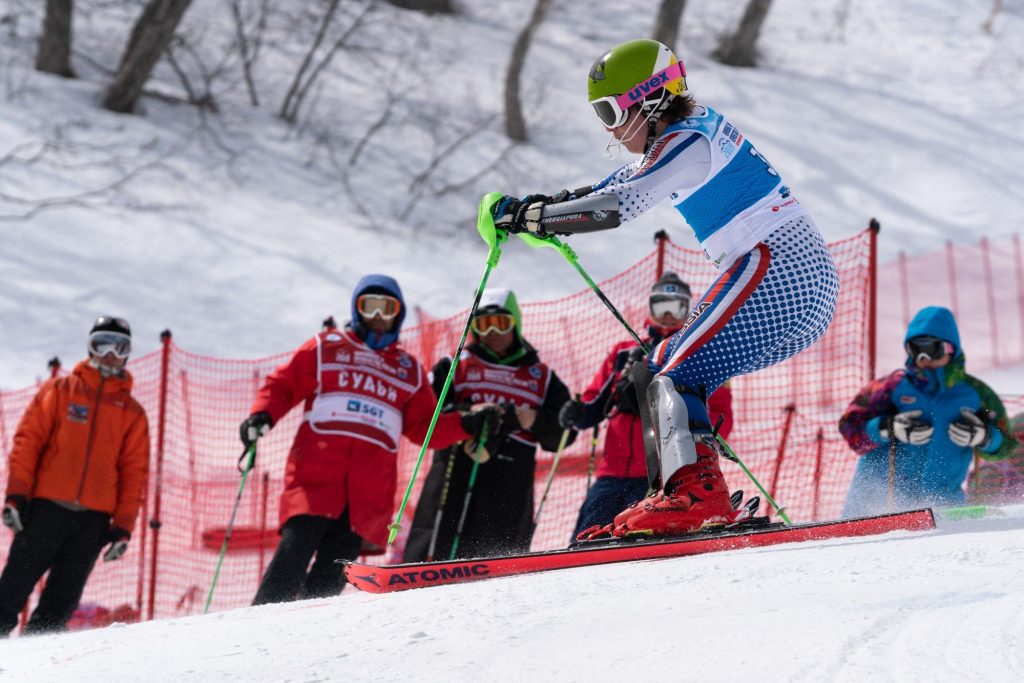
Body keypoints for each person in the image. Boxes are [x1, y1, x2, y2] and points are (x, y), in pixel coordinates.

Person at [491, 38, 839, 538]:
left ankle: (695, 497)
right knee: (661, 369)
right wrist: (538, 211)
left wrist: (535, 217)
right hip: (794, 281)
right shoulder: (682, 139)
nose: (608, 127)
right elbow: (608, 187)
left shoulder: (688, 141)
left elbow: (617, 206)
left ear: (650, 99)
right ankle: (680, 493)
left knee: (676, 373)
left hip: (780, 268)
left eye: (610, 110)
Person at [241, 274, 500, 605]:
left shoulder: (407, 370)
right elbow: (282, 385)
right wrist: (262, 415)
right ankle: (259, 627)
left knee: (330, 578)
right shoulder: (326, 347)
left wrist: (466, 423)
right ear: (356, 308)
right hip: (315, 481)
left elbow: (426, 426)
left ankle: (307, 638)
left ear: (399, 313)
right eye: (370, 306)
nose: (378, 316)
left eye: (386, 308)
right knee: (290, 560)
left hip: (366, 494)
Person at [0, 316, 149, 636]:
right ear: (90, 347)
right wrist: (16, 496)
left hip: (91, 523)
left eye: (119, 347)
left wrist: (123, 527)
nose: (110, 353)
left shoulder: (132, 412)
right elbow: (28, 443)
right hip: (44, 512)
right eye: (102, 344)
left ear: (127, 353)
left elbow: (133, 473)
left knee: (59, 607)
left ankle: (32, 668)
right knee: (9, 593)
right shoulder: (60, 390)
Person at [403, 288, 575, 561]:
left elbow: (564, 433)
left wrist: (533, 418)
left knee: (499, 555)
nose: (493, 332)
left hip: (511, 478)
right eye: (484, 324)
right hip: (456, 467)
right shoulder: (455, 364)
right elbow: (425, 415)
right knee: (437, 548)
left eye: (502, 323)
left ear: (516, 324)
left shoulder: (541, 375)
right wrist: (468, 412)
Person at [559, 273, 734, 540]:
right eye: (660, 305)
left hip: (663, 475)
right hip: (614, 470)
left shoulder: (696, 352)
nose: (667, 314)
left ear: (688, 310)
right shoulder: (624, 352)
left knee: (640, 535)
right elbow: (596, 402)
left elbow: (720, 415)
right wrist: (578, 412)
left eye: (675, 307)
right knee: (588, 535)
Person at [840, 306, 1015, 516]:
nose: (923, 357)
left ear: (951, 348)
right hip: (878, 508)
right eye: (915, 349)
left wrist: (985, 437)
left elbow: (1006, 445)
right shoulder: (891, 388)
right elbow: (850, 428)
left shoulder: (976, 394)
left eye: (932, 348)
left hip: (942, 510)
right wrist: (886, 427)